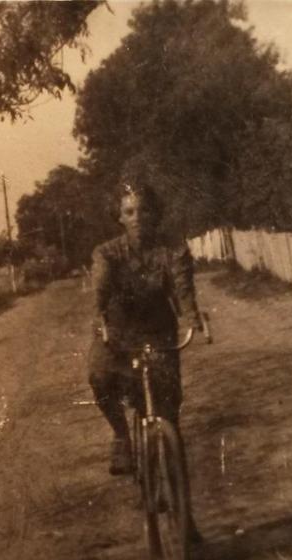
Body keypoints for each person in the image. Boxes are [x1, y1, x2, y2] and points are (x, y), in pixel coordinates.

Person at [87, 178, 205, 478]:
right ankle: (121, 436)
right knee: (100, 377)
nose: (137, 218)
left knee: (168, 406)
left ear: (155, 214)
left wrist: (192, 317)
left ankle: (183, 514)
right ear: (120, 218)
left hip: (158, 329)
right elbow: (100, 289)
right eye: (129, 212)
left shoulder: (173, 249)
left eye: (143, 211)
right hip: (117, 331)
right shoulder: (107, 253)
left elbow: (183, 289)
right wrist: (99, 317)